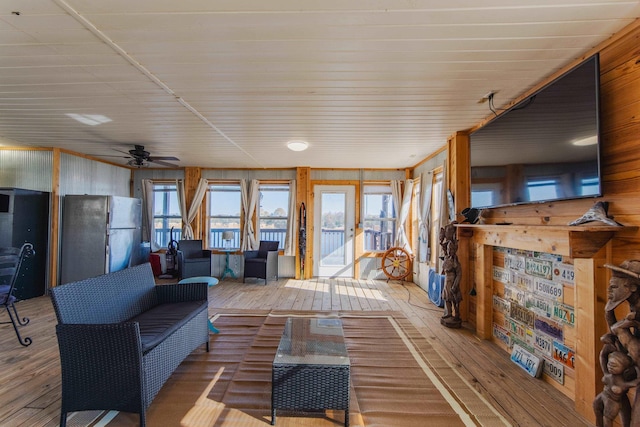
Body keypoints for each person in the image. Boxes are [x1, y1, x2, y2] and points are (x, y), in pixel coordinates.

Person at [593, 349, 640, 427]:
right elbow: (603, 357)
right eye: (609, 364)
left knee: (607, 418)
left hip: (613, 401)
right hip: (604, 395)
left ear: (624, 368)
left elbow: (636, 382)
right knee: (596, 406)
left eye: (614, 365)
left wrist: (637, 368)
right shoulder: (607, 373)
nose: (610, 367)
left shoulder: (622, 382)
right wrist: (607, 348)